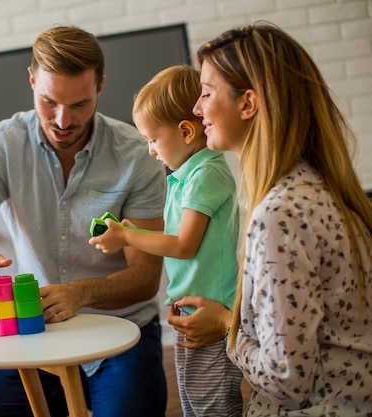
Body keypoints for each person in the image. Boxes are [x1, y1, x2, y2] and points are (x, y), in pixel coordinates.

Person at [0, 25, 168, 417]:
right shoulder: (3, 144)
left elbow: (145, 279)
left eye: (80, 104)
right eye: (49, 101)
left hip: (123, 335)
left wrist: (80, 293)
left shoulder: (136, 156)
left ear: (100, 87)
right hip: (35, 335)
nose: (63, 120)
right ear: (31, 80)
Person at [175, 22, 372, 415]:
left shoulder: (280, 214)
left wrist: (226, 327)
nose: (197, 109)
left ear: (248, 104)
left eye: (207, 93)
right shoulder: (316, 188)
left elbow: (286, 380)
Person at [89, 65, 243, 416]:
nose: (150, 151)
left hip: (212, 312)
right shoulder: (184, 177)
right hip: (192, 310)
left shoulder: (206, 174)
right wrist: (131, 230)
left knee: (212, 407)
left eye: (153, 140)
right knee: (193, 403)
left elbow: (184, 245)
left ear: (187, 131)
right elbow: (177, 238)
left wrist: (129, 236)